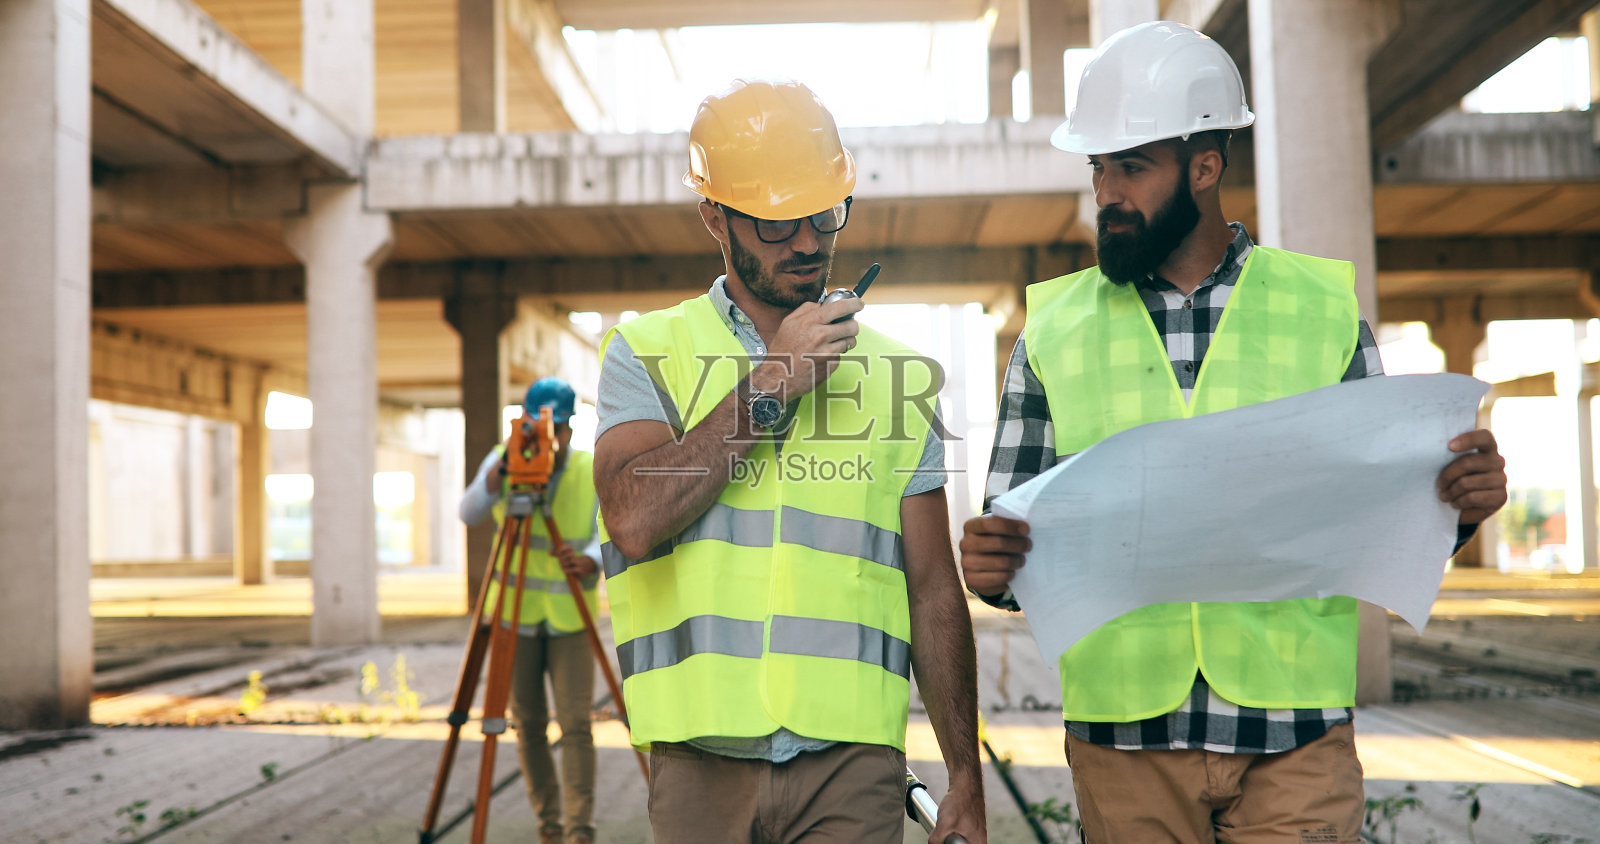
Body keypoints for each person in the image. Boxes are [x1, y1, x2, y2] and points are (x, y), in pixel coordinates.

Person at [958, 22, 1508, 844]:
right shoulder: (1053, 330)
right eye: (1099, 167)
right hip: (1124, 740)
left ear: (1205, 167)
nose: (1106, 191)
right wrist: (991, 567)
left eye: (1131, 167)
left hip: (1294, 735)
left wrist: (1458, 508)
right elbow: (1014, 542)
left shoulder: (1320, 310)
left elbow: (1382, 513)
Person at [592, 79, 986, 844]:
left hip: (854, 767)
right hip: (698, 761)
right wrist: (774, 380)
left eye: (822, 214)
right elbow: (633, 520)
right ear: (715, 215)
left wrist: (964, 776)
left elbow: (933, 587)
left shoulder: (897, 376)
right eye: (776, 224)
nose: (807, 242)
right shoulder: (645, 353)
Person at [459, 377, 600, 844]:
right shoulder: (505, 458)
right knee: (529, 726)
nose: (549, 439)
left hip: (570, 616)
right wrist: (502, 469)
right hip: (513, 618)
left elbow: (611, 528)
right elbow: (470, 511)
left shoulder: (589, 468)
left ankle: (580, 831)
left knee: (577, 725)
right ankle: (550, 827)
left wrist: (592, 561)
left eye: (556, 428)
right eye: (541, 427)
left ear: (570, 429)